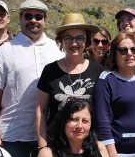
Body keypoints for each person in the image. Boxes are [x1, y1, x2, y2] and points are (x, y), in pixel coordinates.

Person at [0, 0, 64, 157]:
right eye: (28, 16)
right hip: (12, 133)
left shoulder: (57, 50)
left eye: (38, 16)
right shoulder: (4, 52)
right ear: (20, 18)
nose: (33, 20)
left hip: (49, 133)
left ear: (45, 20)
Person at [35, 12, 103, 149]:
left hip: (88, 145)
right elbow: (41, 110)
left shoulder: (98, 71)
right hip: (56, 144)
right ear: (61, 41)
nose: (74, 43)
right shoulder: (50, 71)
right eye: (68, 38)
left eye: (79, 38)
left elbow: (103, 111)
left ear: (86, 41)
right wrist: (42, 144)